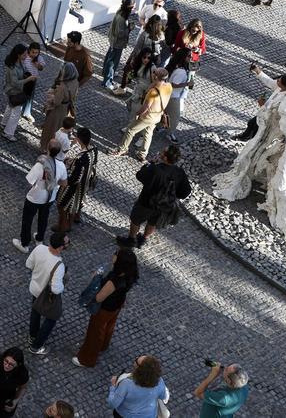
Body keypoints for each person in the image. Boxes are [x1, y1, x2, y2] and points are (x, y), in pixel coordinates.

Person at [74, 238, 139, 367]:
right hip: (117, 305)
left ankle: (87, 359)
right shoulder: (129, 274)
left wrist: (95, 279)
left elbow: (98, 298)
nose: (113, 254)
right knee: (109, 326)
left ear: (119, 261)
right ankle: (104, 345)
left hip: (105, 309)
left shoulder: (113, 281)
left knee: (95, 332)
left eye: (116, 253)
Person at [127, 144, 191, 248]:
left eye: (162, 151)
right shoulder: (180, 172)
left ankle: (131, 239)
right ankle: (143, 239)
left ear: (165, 157)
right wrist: (174, 195)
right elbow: (185, 192)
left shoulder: (155, 169)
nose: (160, 152)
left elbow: (139, 175)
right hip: (164, 206)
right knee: (152, 223)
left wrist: (151, 163)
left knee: (135, 220)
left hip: (146, 202)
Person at [13, 140, 67, 253]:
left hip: (35, 197)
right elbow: (64, 183)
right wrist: (54, 182)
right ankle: (39, 239)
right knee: (43, 218)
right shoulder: (61, 165)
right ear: (58, 153)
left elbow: (30, 181)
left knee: (27, 220)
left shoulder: (40, 165)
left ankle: (24, 244)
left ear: (47, 149)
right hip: (49, 198)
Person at [110, 67, 171, 160]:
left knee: (130, 130)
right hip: (157, 116)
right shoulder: (169, 87)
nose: (153, 73)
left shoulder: (153, 92)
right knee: (148, 133)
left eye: (154, 73)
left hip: (148, 116)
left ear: (155, 77)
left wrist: (138, 114)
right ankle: (143, 154)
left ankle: (122, 149)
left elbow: (145, 107)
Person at [26, 231, 67, 354]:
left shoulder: (39, 248)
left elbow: (28, 264)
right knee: (52, 318)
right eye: (66, 243)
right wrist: (62, 286)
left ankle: (32, 336)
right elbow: (55, 289)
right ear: (60, 247)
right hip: (45, 296)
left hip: (34, 288)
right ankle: (36, 346)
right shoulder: (59, 265)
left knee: (35, 312)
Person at [57, 127, 96, 233]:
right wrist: (73, 162)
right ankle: (76, 217)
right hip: (86, 182)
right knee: (77, 201)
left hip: (75, 186)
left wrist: (64, 182)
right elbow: (92, 165)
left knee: (62, 204)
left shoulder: (81, 159)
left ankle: (64, 226)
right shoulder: (94, 149)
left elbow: (75, 177)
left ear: (79, 139)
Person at [39, 63, 79, 152]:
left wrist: (51, 94)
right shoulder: (75, 82)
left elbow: (56, 102)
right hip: (66, 109)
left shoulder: (62, 87)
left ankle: (46, 147)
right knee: (60, 128)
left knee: (50, 128)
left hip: (57, 110)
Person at [103, 0, 134, 89]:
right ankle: (107, 81)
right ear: (130, 8)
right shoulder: (122, 18)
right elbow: (120, 33)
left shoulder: (120, 12)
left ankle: (106, 73)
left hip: (114, 40)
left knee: (109, 57)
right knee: (113, 62)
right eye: (133, 7)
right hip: (117, 42)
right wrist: (129, 29)